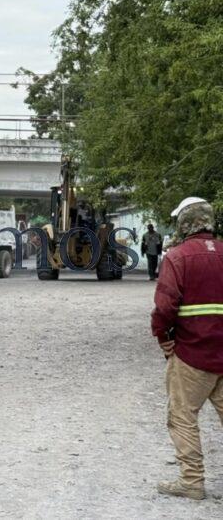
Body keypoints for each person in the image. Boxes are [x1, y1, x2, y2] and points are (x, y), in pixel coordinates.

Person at [150, 197, 223, 501]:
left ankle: (192, 482)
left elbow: (165, 308)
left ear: (185, 223)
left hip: (192, 355)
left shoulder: (177, 258)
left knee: (182, 416)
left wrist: (162, 337)